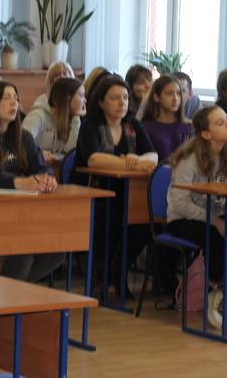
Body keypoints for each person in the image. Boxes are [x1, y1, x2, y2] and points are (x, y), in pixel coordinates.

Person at [0, 81, 65, 282]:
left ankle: (8, 291)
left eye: (16, 98)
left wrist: (47, 179)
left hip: (20, 213)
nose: (14, 103)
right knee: (23, 253)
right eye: (6, 98)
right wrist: (20, 183)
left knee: (57, 251)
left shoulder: (22, 137)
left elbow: (41, 167)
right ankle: (7, 294)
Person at [167, 106, 227, 329]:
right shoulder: (189, 160)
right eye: (220, 123)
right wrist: (216, 221)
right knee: (216, 237)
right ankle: (219, 286)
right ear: (206, 134)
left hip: (214, 217)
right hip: (182, 220)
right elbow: (180, 203)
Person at [75, 74, 158, 298]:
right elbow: (94, 159)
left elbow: (153, 155)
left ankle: (119, 270)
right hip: (93, 192)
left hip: (126, 192)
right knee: (109, 215)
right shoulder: (90, 126)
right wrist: (130, 162)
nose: (122, 103)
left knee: (146, 219)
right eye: (115, 98)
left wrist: (137, 159)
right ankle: (100, 275)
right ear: (101, 102)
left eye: (125, 98)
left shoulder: (133, 125)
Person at [22, 77, 85, 165]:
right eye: (81, 96)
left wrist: (76, 118)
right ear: (67, 98)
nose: (85, 100)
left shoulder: (69, 118)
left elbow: (70, 151)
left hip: (55, 167)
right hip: (34, 166)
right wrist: (38, 152)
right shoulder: (38, 115)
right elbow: (21, 142)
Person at [139, 75, 193, 162]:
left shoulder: (189, 127)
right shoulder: (145, 128)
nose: (175, 99)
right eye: (169, 94)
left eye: (178, 93)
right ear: (157, 97)